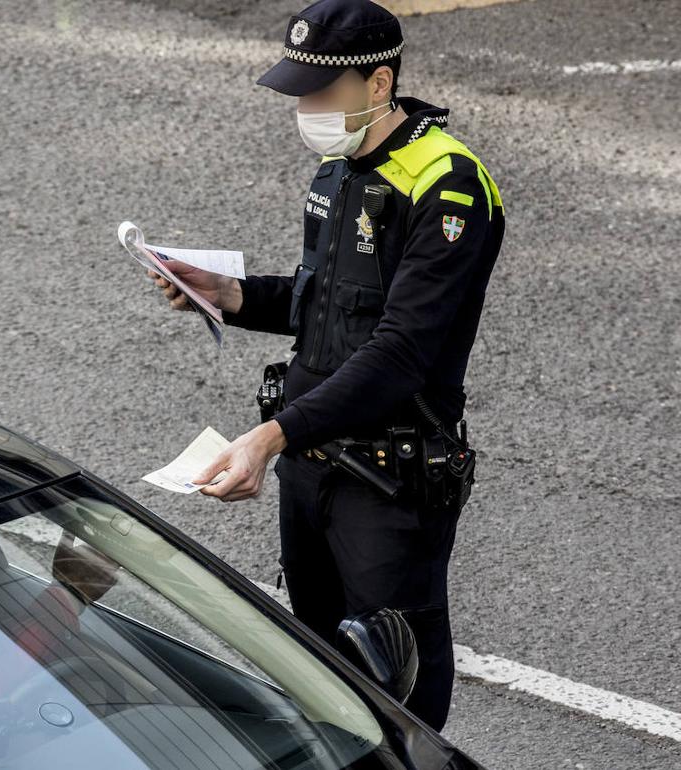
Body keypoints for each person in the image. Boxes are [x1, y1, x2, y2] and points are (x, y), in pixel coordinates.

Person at [147, 0, 505, 732]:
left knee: (393, 680)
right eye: (299, 92)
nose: (304, 107)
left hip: (387, 482)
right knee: (317, 671)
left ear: (378, 85)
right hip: (309, 470)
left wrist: (269, 436)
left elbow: (402, 349)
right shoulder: (337, 169)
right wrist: (232, 296)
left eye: (319, 92)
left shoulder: (449, 185)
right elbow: (329, 306)